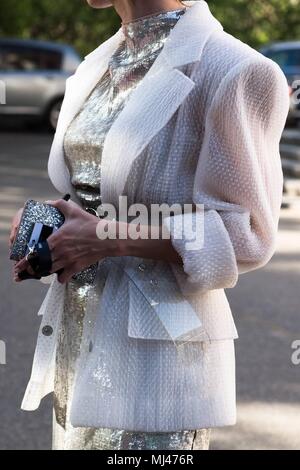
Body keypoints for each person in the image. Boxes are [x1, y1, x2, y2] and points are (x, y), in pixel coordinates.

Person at [10, 0, 289, 450]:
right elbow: (102, 190)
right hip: (79, 332)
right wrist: (57, 216)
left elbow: (247, 234)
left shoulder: (235, 70)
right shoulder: (100, 62)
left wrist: (106, 238)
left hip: (159, 352)